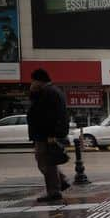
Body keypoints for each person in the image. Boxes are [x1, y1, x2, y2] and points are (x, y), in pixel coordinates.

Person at [27, 68, 70, 202]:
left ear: (39, 81)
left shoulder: (48, 92)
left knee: (45, 163)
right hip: (45, 133)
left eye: (33, 81)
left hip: (45, 134)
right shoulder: (51, 91)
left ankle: (54, 191)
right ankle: (61, 181)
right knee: (48, 161)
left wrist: (51, 134)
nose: (32, 84)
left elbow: (49, 115)